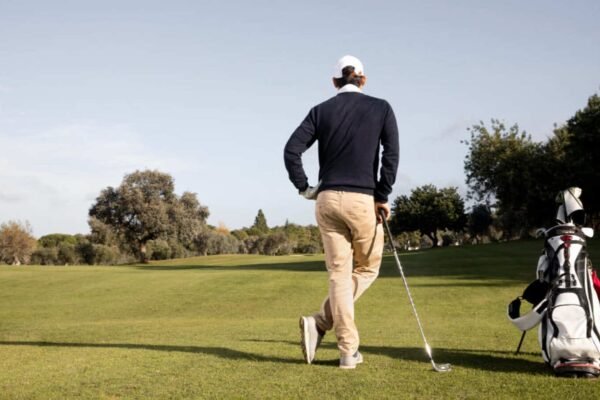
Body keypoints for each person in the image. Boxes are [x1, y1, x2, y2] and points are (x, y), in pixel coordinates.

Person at [283, 55, 399, 369]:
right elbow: (391, 155)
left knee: (339, 275)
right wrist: (383, 194)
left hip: (328, 199)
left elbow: (291, 150)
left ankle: (337, 341)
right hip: (363, 200)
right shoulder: (382, 108)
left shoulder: (320, 110)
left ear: (335, 82)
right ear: (363, 79)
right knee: (367, 269)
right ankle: (325, 327)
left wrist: (305, 188)